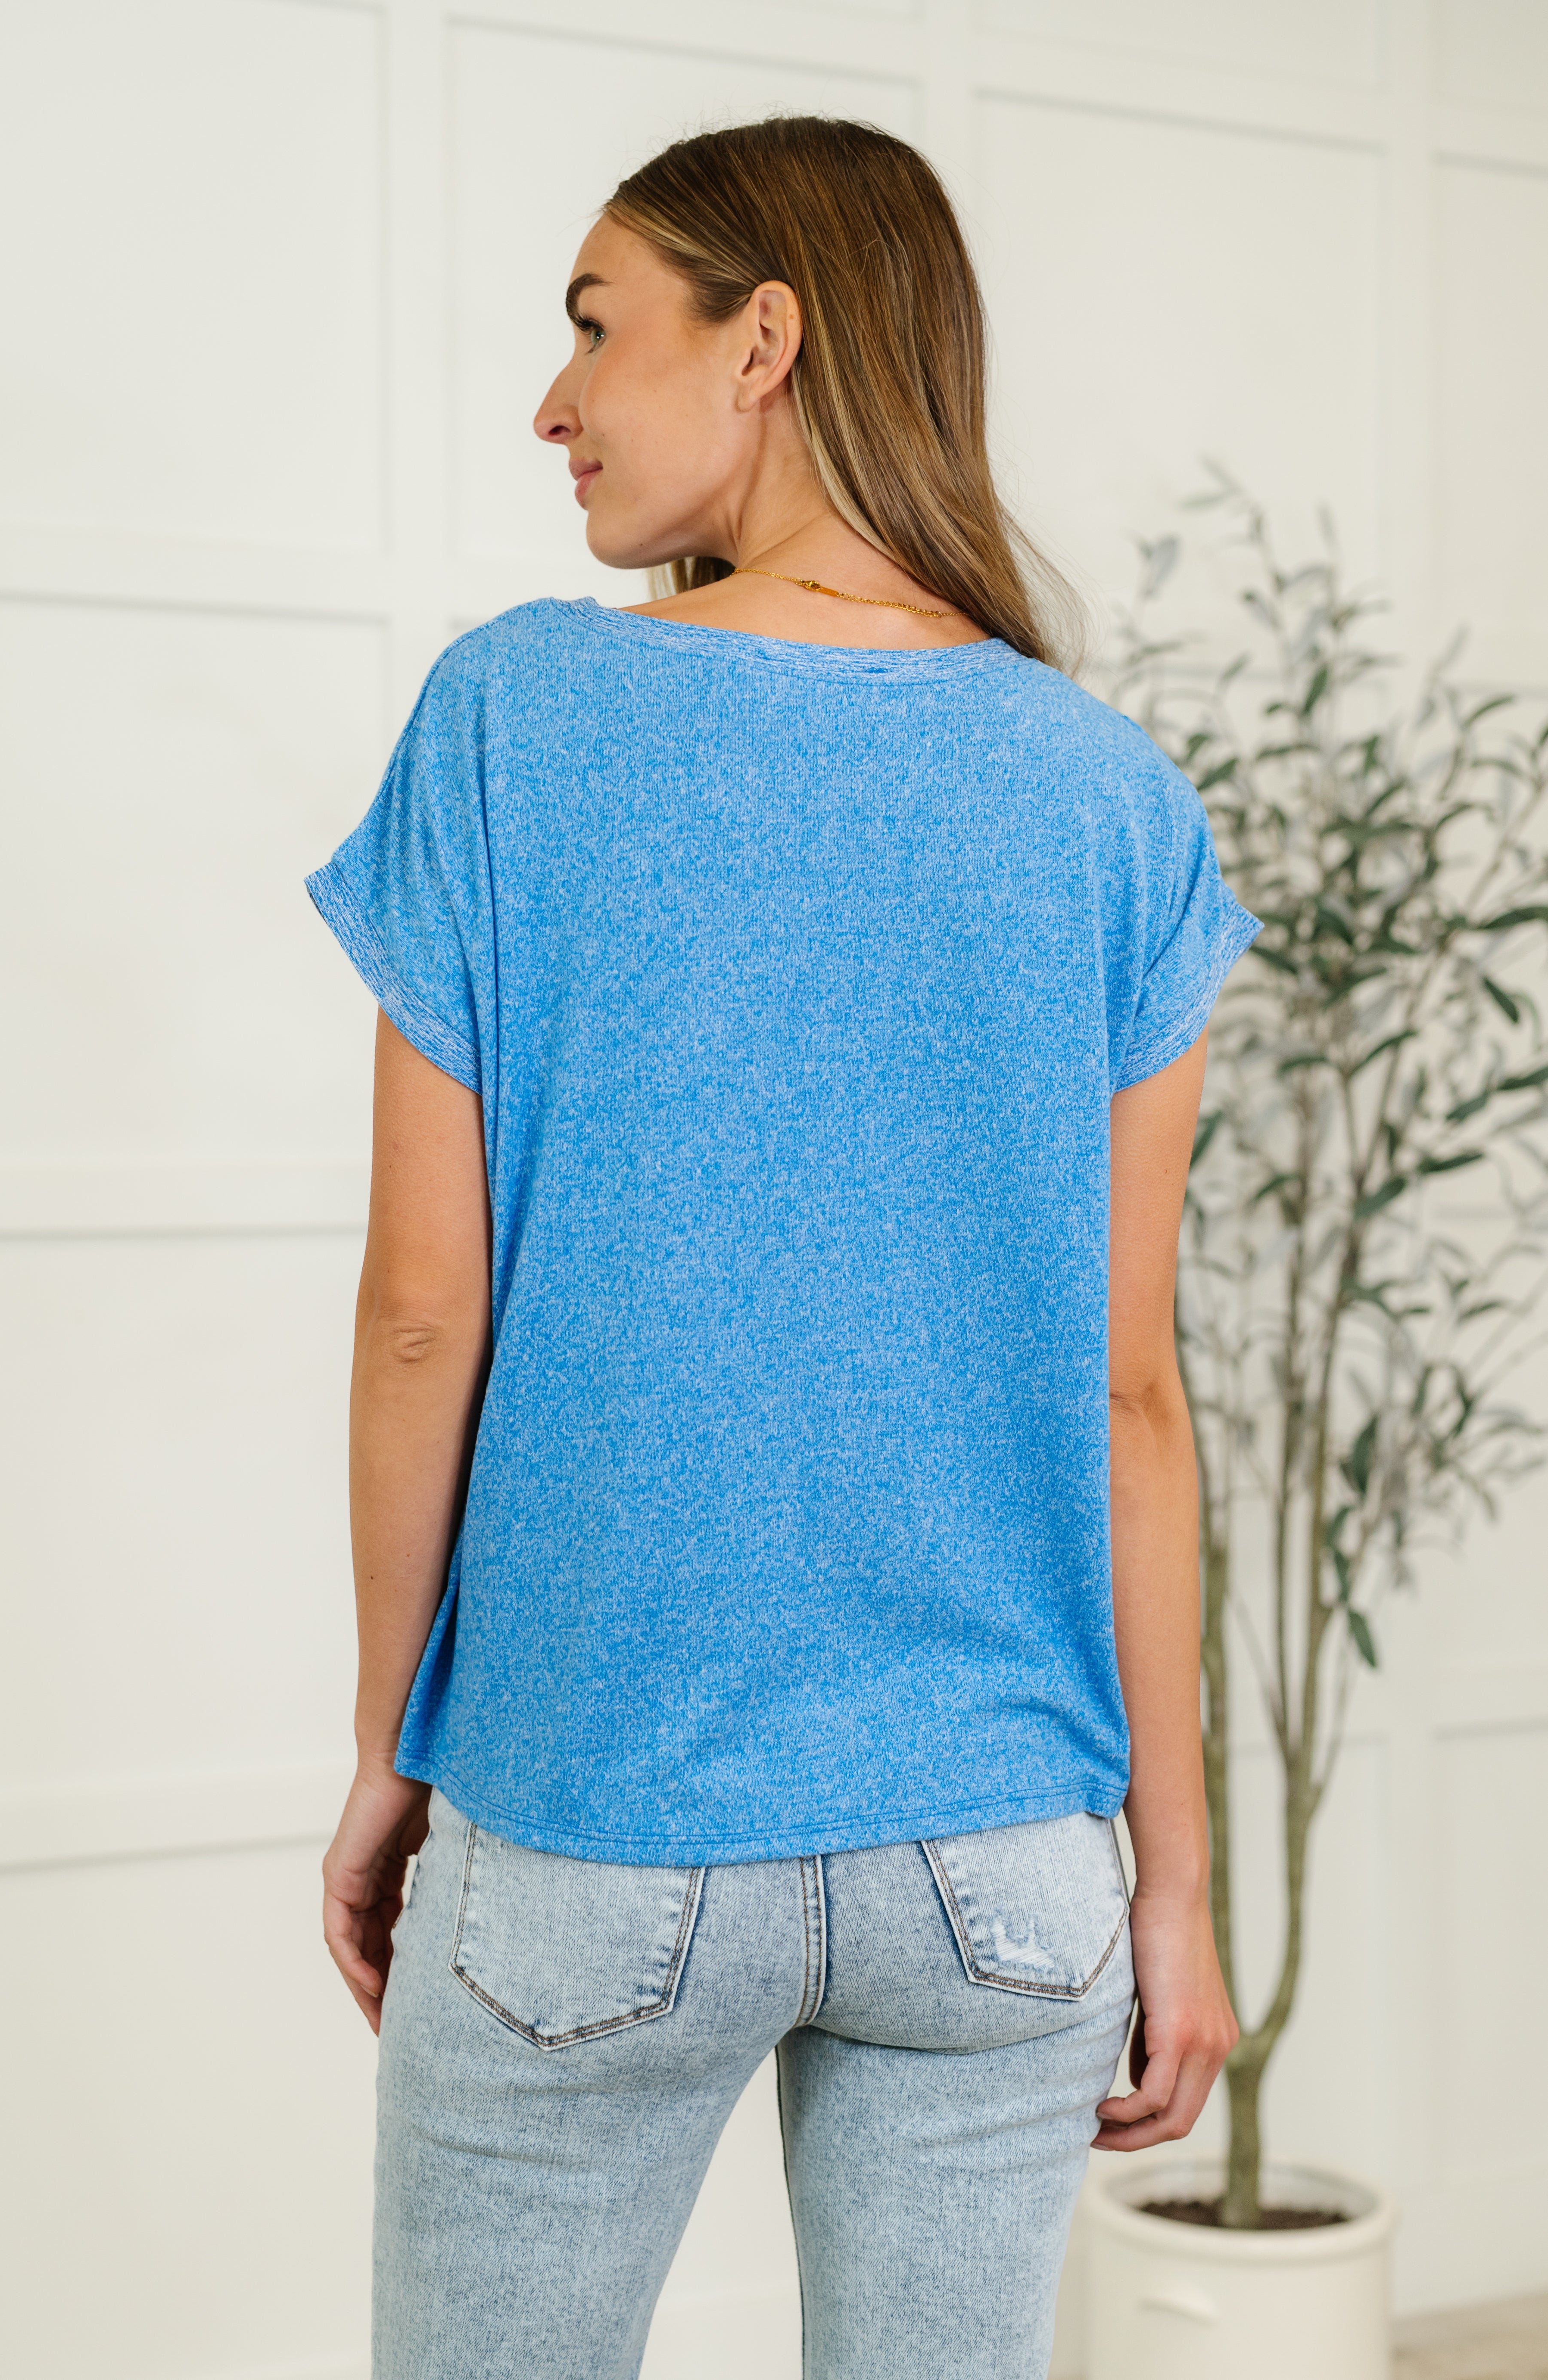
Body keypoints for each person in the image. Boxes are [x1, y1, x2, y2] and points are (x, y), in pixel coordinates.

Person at [308, 114, 1251, 2380]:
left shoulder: (517, 717)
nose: (554, 401)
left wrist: (389, 1743)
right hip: (1008, 1859)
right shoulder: (1110, 799)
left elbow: (427, 1317)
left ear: (766, 340)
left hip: (597, 1805)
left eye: (593, 328)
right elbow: (1133, 1397)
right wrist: (1181, 1890)